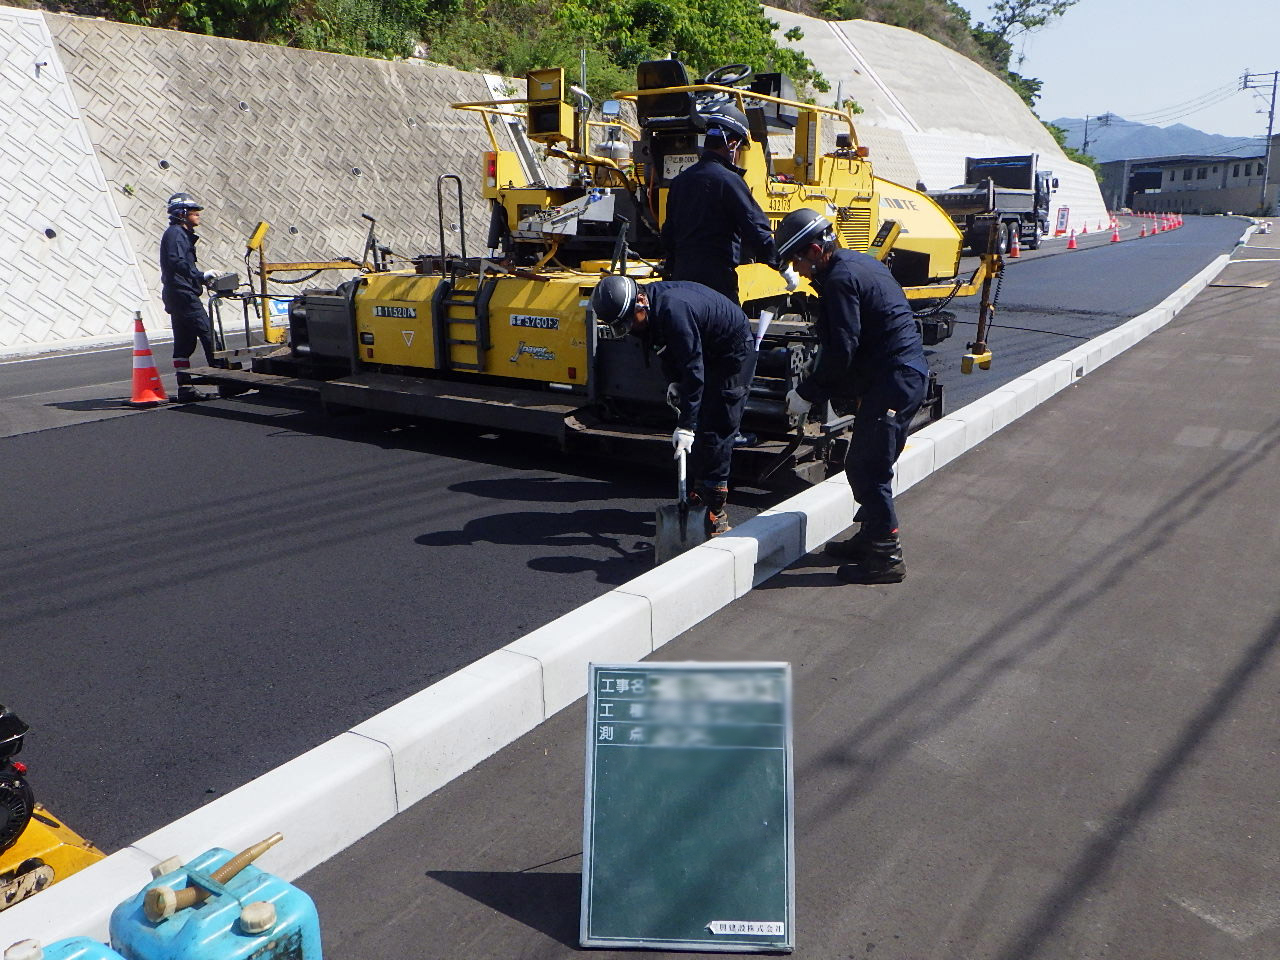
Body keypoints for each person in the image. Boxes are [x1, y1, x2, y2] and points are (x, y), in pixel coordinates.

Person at [775, 208, 929, 584]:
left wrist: (807, 393)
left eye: (797, 259)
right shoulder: (856, 262)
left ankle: (886, 558)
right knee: (867, 460)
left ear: (814, 249)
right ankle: (870, 538)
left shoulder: (841, 278)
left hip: (896, 378)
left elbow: (843, 348)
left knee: (867, 468)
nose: (798, 269)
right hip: (894, 376)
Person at [590, 275, 753, 536]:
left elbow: (694, 369)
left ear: (640, 301)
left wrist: (687, 426)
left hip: (730, 348)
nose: (630, 328)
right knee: (702, 422)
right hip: (704, 343)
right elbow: (664, 348)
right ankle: (699, 493)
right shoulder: (649, 311)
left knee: (717, 427)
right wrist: (675, 382)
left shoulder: (673, 310)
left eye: (631, 321)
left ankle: (715, 510)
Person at [660, 104, 780, 305]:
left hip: (682, 283)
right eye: (741, 148)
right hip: (716, 286)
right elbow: (755, 228)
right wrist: (781, 264)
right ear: (732, 144)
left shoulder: (680, 181)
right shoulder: (729, 181)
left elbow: (668, 234)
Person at [160, 192, 219, 402]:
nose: (198, 215)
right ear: (182, 214)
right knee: (209, 335)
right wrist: (200, 275)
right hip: (183, 294)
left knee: (184, 344)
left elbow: (180, 265)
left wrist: (200, 279)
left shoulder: (178, 234)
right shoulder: (176, 234)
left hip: (177, 294)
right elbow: (176, 262)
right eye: (194, 212)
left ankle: (185, 388)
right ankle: (227, 382)